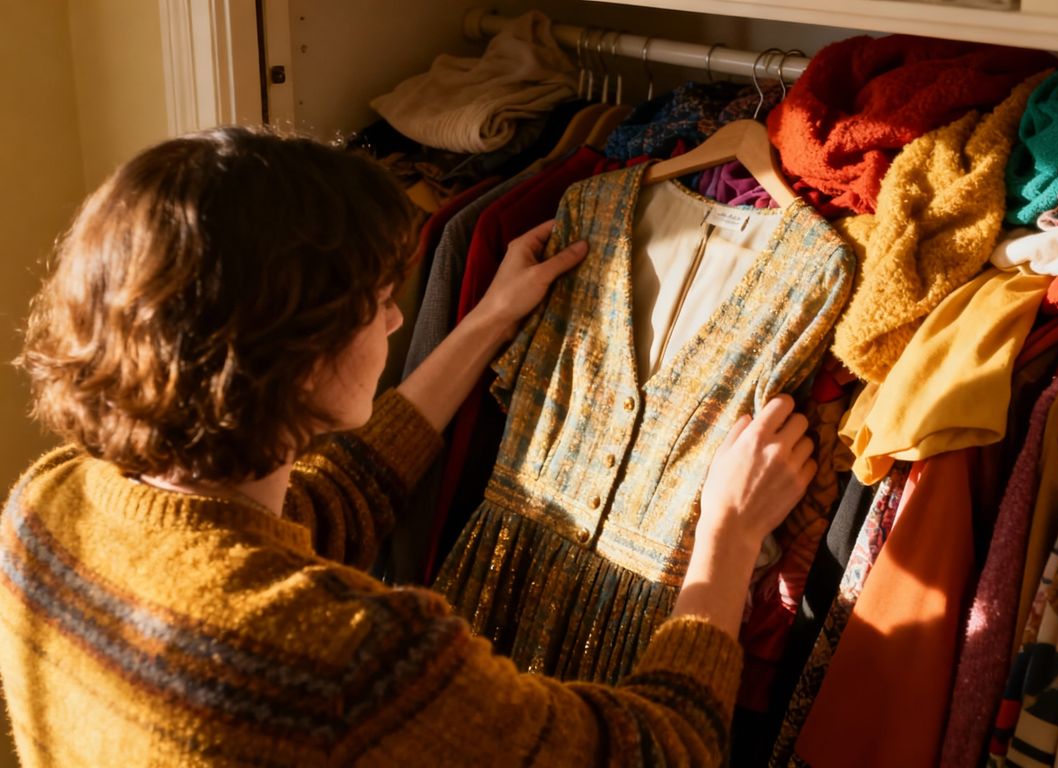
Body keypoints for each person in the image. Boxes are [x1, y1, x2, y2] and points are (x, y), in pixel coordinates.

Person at [0, 126, 816, 767]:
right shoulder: (348, 663)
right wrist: (727, 539)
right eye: (376, 302)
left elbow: (332, 500)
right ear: (295, 352)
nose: (395, 319)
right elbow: (658, 751)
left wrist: (490, 319)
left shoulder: (48, 504)